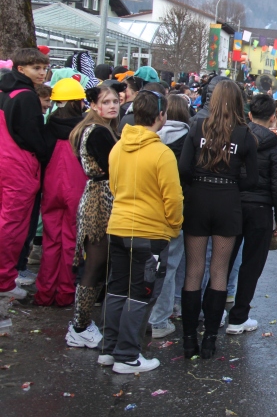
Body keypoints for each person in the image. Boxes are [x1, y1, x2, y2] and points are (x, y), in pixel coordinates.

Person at [100, 89, 183, 373]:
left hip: (118, 226)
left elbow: (114, 187)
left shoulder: (117, 148)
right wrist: (174, 225)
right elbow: (173, 198)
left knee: (116, 290)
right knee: (141, 294)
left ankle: (110, 348)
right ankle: (127, 355)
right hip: (150, 233)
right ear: (161, 115)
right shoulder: (162, 153)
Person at [179, 80, 258, 359]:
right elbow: (253, 179)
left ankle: (189, 340)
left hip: (198, 199)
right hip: (228, 201)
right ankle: (210, 339)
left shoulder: (197, 127)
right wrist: (231, 183)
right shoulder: (245, 134)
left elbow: (183, 168)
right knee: (219, 271)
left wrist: (199, 182)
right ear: (238, 102)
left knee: (193, 270)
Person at [225, 94, 277, 335]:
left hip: (233, 205)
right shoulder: (275, 148)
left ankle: (214, 311)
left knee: (223, 260)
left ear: (250, 115)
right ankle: (238, 318)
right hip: (261, 210)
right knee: (252, 265)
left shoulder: (235, 139)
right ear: (273, 117)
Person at [65, 85, 120, 348]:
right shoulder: (98, 131)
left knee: (99, 265)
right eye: (106, 102)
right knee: (96, 265)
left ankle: (82, 323)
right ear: (95, 106)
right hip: (99, 201)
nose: (112, 105)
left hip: (98, 197)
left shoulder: (99, 129)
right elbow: (113, 167)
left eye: (115, 101)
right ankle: (79, 325)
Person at [0, 48, 50, 300]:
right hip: (20, 167)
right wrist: (44, 153)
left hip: (5, 162)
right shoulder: (27, 97)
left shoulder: (5, 92)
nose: (42, 73)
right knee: (14, 226)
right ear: (21, 69)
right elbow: (33, 135)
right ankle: (4, 280)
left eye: (44, 68)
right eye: (36, 68)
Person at [34, 79, 87, 306]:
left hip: (51, 187)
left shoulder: (48, 126)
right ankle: (65, 293)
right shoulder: (84, 129)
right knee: (72, 243)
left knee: (50, 240)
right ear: (77, 102)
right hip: (77, 189)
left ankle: (45, 293)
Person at [148, 94, 191, 339]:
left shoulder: (148, 138)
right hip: (175, 207)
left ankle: (149, 314)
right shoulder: (188, 138)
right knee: (170, 265)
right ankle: (160, 318)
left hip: (147, 208)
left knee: (149, 264)